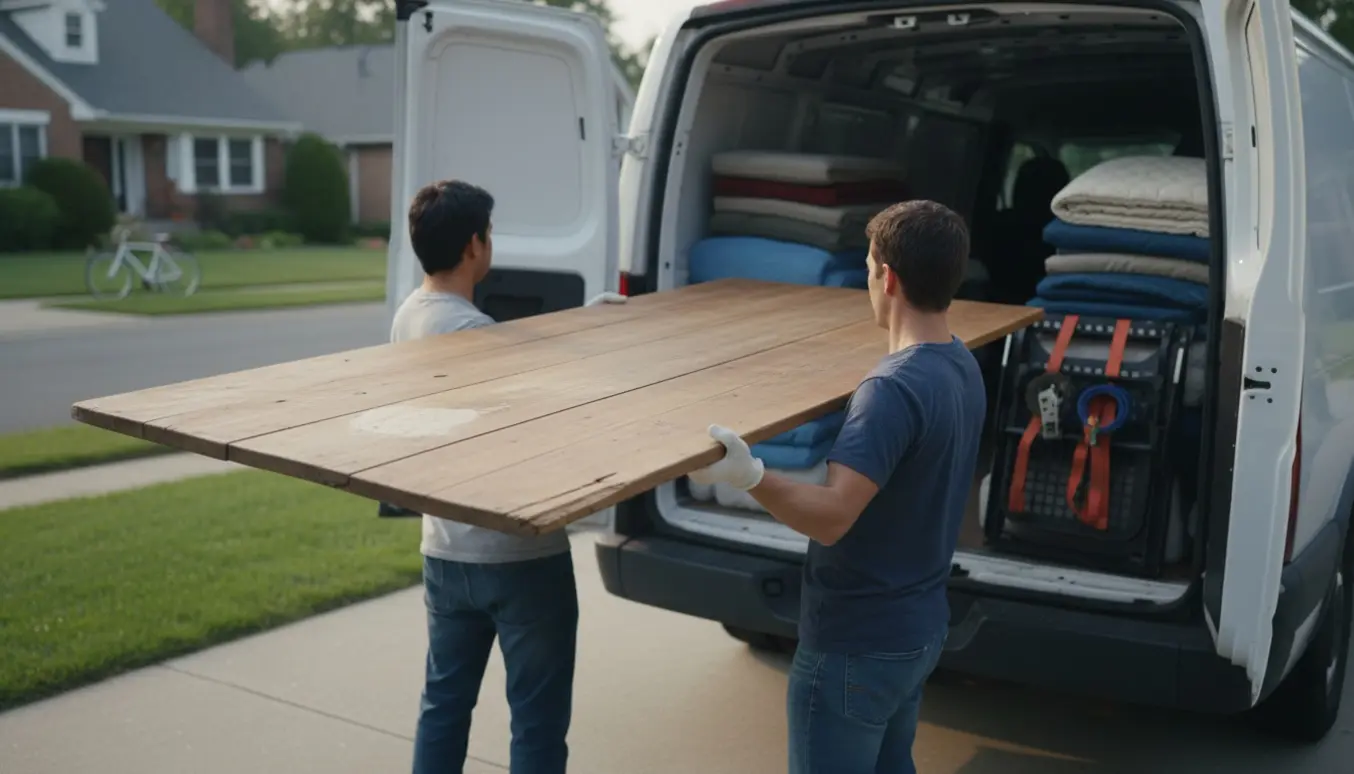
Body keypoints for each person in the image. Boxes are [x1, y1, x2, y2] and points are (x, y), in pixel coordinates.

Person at [689, 200, 984, 774]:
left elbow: (832, 516)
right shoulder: (961, 365)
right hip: (918, 630)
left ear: (887, 277)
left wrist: (748, 475)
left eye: (870, 267)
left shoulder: (891, 389)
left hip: (857, 645)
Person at [396, 180, 623, 774]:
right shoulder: (477, 338)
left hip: (445, 552)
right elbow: (542, 414)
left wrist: (581, 324)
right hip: (520, 561)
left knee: (443, 706)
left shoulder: (409, 316)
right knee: (538, 723)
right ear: (475, 245)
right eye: (489, 234)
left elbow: (522, 350)